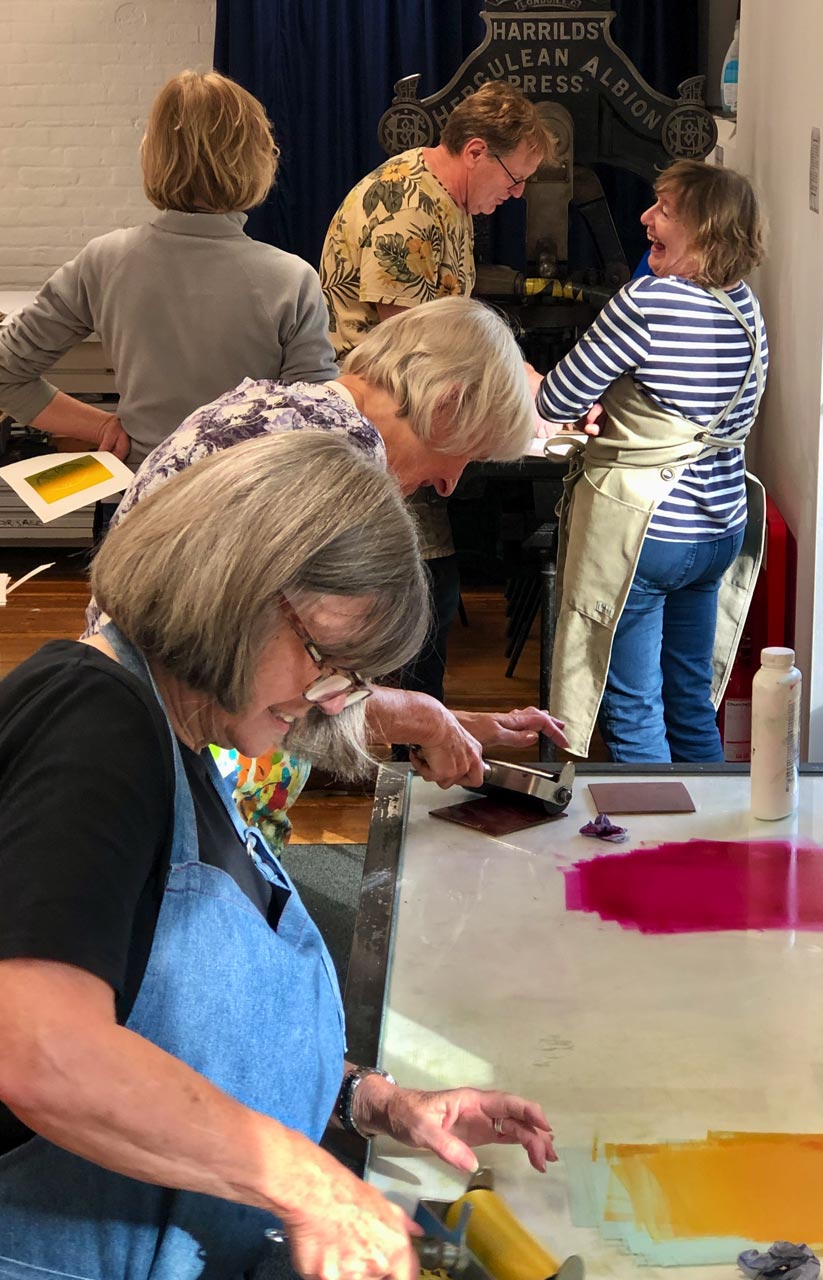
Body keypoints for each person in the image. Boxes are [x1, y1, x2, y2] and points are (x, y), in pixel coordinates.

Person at [0, 432, 557, 1279]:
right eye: (327, 660)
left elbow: (185, 1020)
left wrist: (377, 1102)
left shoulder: (190, 744)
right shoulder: (93, 719)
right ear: (236, 591)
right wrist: (309, 1186)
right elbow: (41, 1050)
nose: (329, 700)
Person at [86, 297, 568, 848]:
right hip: (187, 764)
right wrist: (425, 720)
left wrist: (442, 720)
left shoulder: (278, 405)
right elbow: (278, 681)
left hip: (133, 718)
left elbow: (298, 679)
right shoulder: (342, 457)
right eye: (467, 455)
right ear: (448, 405)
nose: (450, 483)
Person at [320, 80, 553, 703]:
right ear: (476, 151)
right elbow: (414, 348)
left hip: (404, 420)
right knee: (427, 590)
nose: (518, 193)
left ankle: (402, 736)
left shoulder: (445, 200)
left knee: (434, 589)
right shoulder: (409, 210)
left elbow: (452, 322)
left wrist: (525, 379)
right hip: (382, 427)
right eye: (514, 176)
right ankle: (404, 747)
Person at [536, 160, 769, 763]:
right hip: (720, 528)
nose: (645, 217)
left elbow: (557, 398)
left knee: (633, 709)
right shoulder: (745, 306)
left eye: (664, 209)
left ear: (707, 232)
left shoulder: (648, 301)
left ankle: (650, 848)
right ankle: (712, 846)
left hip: (646, 532)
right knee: (690, 702)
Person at [0, 70, 338, 471]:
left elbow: (6, 374)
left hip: (142, 504)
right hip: (249, 510)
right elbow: (315, 432)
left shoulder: (104, 260)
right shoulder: (292, 280)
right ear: (259, 158)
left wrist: (104, 426)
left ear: (151, 154)